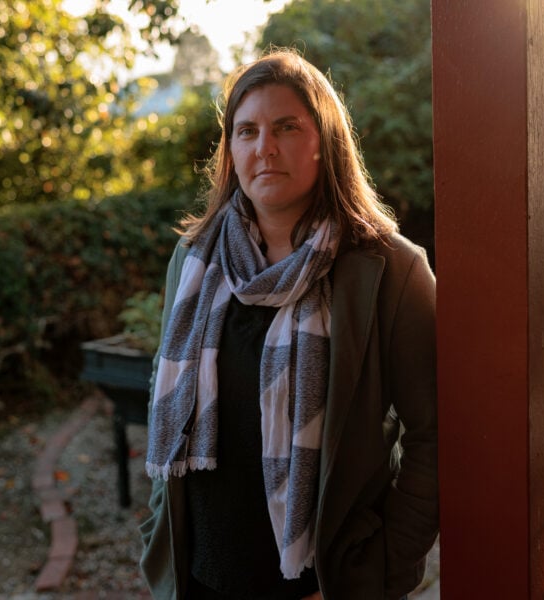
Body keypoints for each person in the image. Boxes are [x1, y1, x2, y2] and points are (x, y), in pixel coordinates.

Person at [139, 49, 438, 600]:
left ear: (324, 141)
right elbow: (166, 392)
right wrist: (157, 530)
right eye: (246, 131)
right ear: (230, 150)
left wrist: (385, 565)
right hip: (200, 579)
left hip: (321, 584)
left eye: (286, 127)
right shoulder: (194, 262)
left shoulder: (391, 272)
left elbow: (436, 435)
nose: (264, 147)